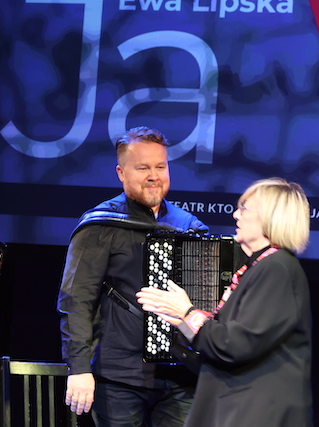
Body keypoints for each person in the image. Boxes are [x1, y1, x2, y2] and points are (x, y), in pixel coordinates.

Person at [57, 126, 208, 427]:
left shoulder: (190, 227)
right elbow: (76, 301)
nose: (154, 176)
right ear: (121, 173)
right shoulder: (101, 225)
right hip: (119, 377)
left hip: (180, 375)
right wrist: (79, 367)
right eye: (143, 168)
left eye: (160, 167)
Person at [136, 178, 313, 427]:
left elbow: (236, 344)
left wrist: (187, 312)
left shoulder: (277, 269)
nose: (235, 214)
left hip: (258, 412)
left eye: (244, 209)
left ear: (270, 217)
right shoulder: (263, 266)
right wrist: (181, 321)